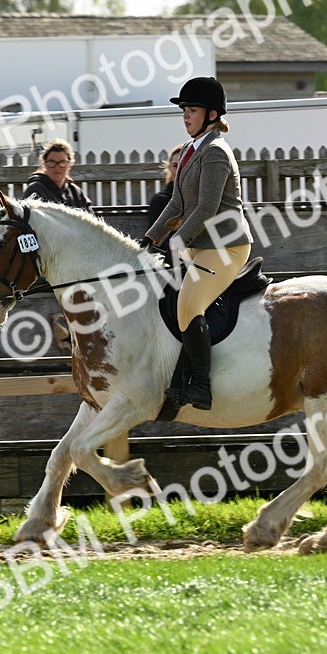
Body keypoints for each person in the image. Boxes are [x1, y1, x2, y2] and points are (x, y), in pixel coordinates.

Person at [142, 77, 253, 411]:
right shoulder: (192, 150)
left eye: (192, 109)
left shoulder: (216, 152)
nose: (186, 116)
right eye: (184, 110)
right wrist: (151, 238)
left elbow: (206, 208)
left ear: (212, 114)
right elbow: (176, 205)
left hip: (226, 246)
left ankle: (201, 387)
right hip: (201, 245)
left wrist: (178, 239)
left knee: (188, 305)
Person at [22, 139, 97, 215]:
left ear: (70, 165)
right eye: (51, 162)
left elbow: (91, 220)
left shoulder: (76, 192)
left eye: (62, 162)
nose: (57, 168)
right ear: (44, 164)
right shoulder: (35, 190)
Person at [147, 143, 183, 227]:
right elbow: (156, 235)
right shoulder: (160, 200)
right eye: (175, 166)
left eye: (184, 165)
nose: (179, 170)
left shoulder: (202, 197)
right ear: (169, 167)